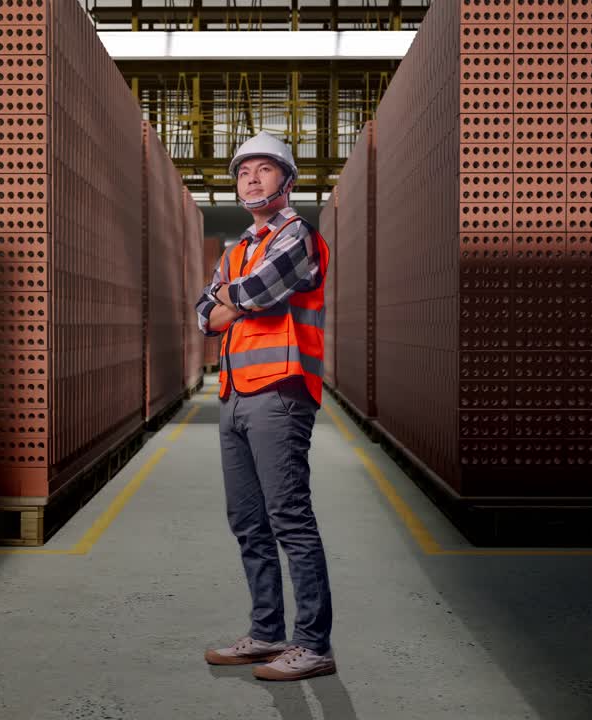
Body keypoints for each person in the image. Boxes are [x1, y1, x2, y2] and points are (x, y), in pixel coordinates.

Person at [194, 131, 335, 681]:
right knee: (248, 522)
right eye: (243, 171)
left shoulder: (298, 237)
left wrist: (232, 298)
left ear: (287, 179)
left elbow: (254, 294)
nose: (251, 178)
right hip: (233, 395)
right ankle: (267, 632)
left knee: (289, 519)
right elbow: (206, 317)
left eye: (264, 169)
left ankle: (313, 643)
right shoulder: (235, 250)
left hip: (281, 391)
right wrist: (228, 300)